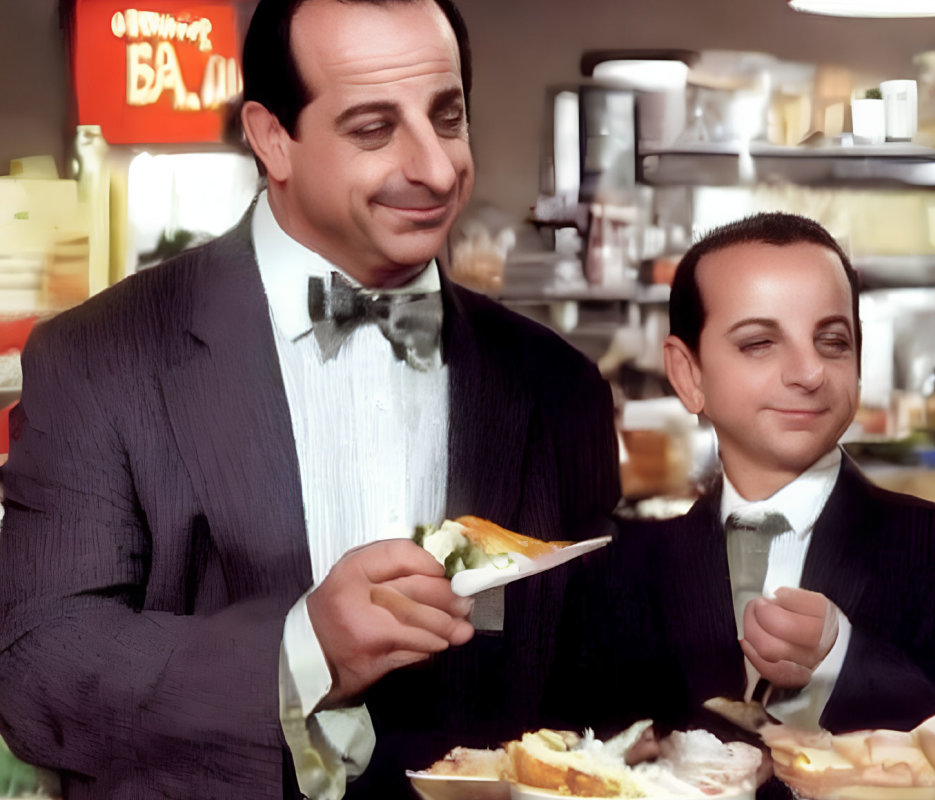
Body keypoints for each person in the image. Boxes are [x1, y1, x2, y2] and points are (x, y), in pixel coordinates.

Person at [0, 1, 620, 798]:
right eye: (374, 128)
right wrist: (303, 653)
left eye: (447, 115)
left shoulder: (558, 385)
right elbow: (38, 667)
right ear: (270, 139)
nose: (436, 168)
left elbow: (600, 682)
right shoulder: (103, 357)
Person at [548, 212, 935, 750]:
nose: (809, 373)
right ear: (689, 376)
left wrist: (841, 660)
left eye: (832, 341)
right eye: (760, 343)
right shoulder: (613, 577)